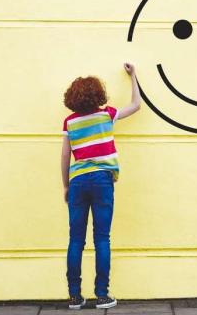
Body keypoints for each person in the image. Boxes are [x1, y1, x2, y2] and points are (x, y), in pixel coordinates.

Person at [60, 62, 140, 309]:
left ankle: (75, 297)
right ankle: (102, 296)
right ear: (98, 95)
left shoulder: (70, 122)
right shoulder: (107, 115)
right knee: (102, 238)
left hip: (78, 181)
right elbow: (136, 105)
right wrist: (134, 76)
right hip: (103, 180)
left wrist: (66, 186)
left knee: (76, 239)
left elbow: (65, 156)